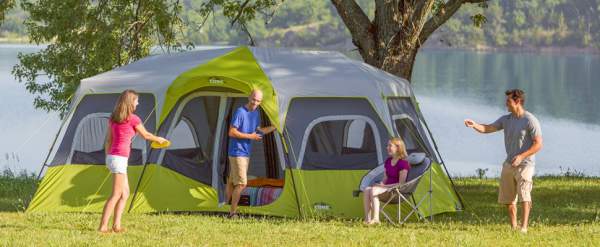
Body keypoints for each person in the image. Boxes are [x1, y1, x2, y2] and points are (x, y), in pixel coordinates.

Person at [464, 89, 543, 233]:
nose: (506, 104)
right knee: (509, 199)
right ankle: (514, 227)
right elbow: (487, 128)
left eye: (508, 101)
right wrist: (474, 124)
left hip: (525, 164)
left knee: (525, 195)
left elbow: (538, 144)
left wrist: (521, 156)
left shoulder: (530, 120)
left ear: (517, 101)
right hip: (509, 163)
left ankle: (524, 228)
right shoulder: (506, 119)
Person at [98, 90, 168, 233]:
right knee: (116, 194)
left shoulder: (113, 118)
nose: (138, 102)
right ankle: (102, 227)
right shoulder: (133, 119)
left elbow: (108, 141)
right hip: (119, 159)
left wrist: (107, 158)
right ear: (131, 102)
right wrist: (160, 139)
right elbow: (146, 135)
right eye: (136, 100)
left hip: (113, 157)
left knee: (125, 194)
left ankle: (116, 226)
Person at [226, 89, 276, 218]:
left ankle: (224, 206)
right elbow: (232, 132)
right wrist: (250, 136)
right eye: (254, 99)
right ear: (249, 97)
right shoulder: (240, 112)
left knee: (232, 182)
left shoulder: (256, 112)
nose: (255, 102)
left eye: (258, 101)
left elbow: (257, 131)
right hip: (237, 151)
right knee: (242, 184)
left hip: (245, 152)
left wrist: (274, 127)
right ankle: (232, 213)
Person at [362, 137, 410, 225]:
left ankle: (376, 219)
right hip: (385, 189)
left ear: (398, 148)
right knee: (367, 189)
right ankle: (367, 219)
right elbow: (385, 178)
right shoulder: (388, 161)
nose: (387, 148)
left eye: (390, 146)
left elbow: (401, 183)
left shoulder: (403, 163)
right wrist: (381, 184)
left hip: (395, 191)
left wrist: (384, 186)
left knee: (374, 190)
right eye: (387, 145)